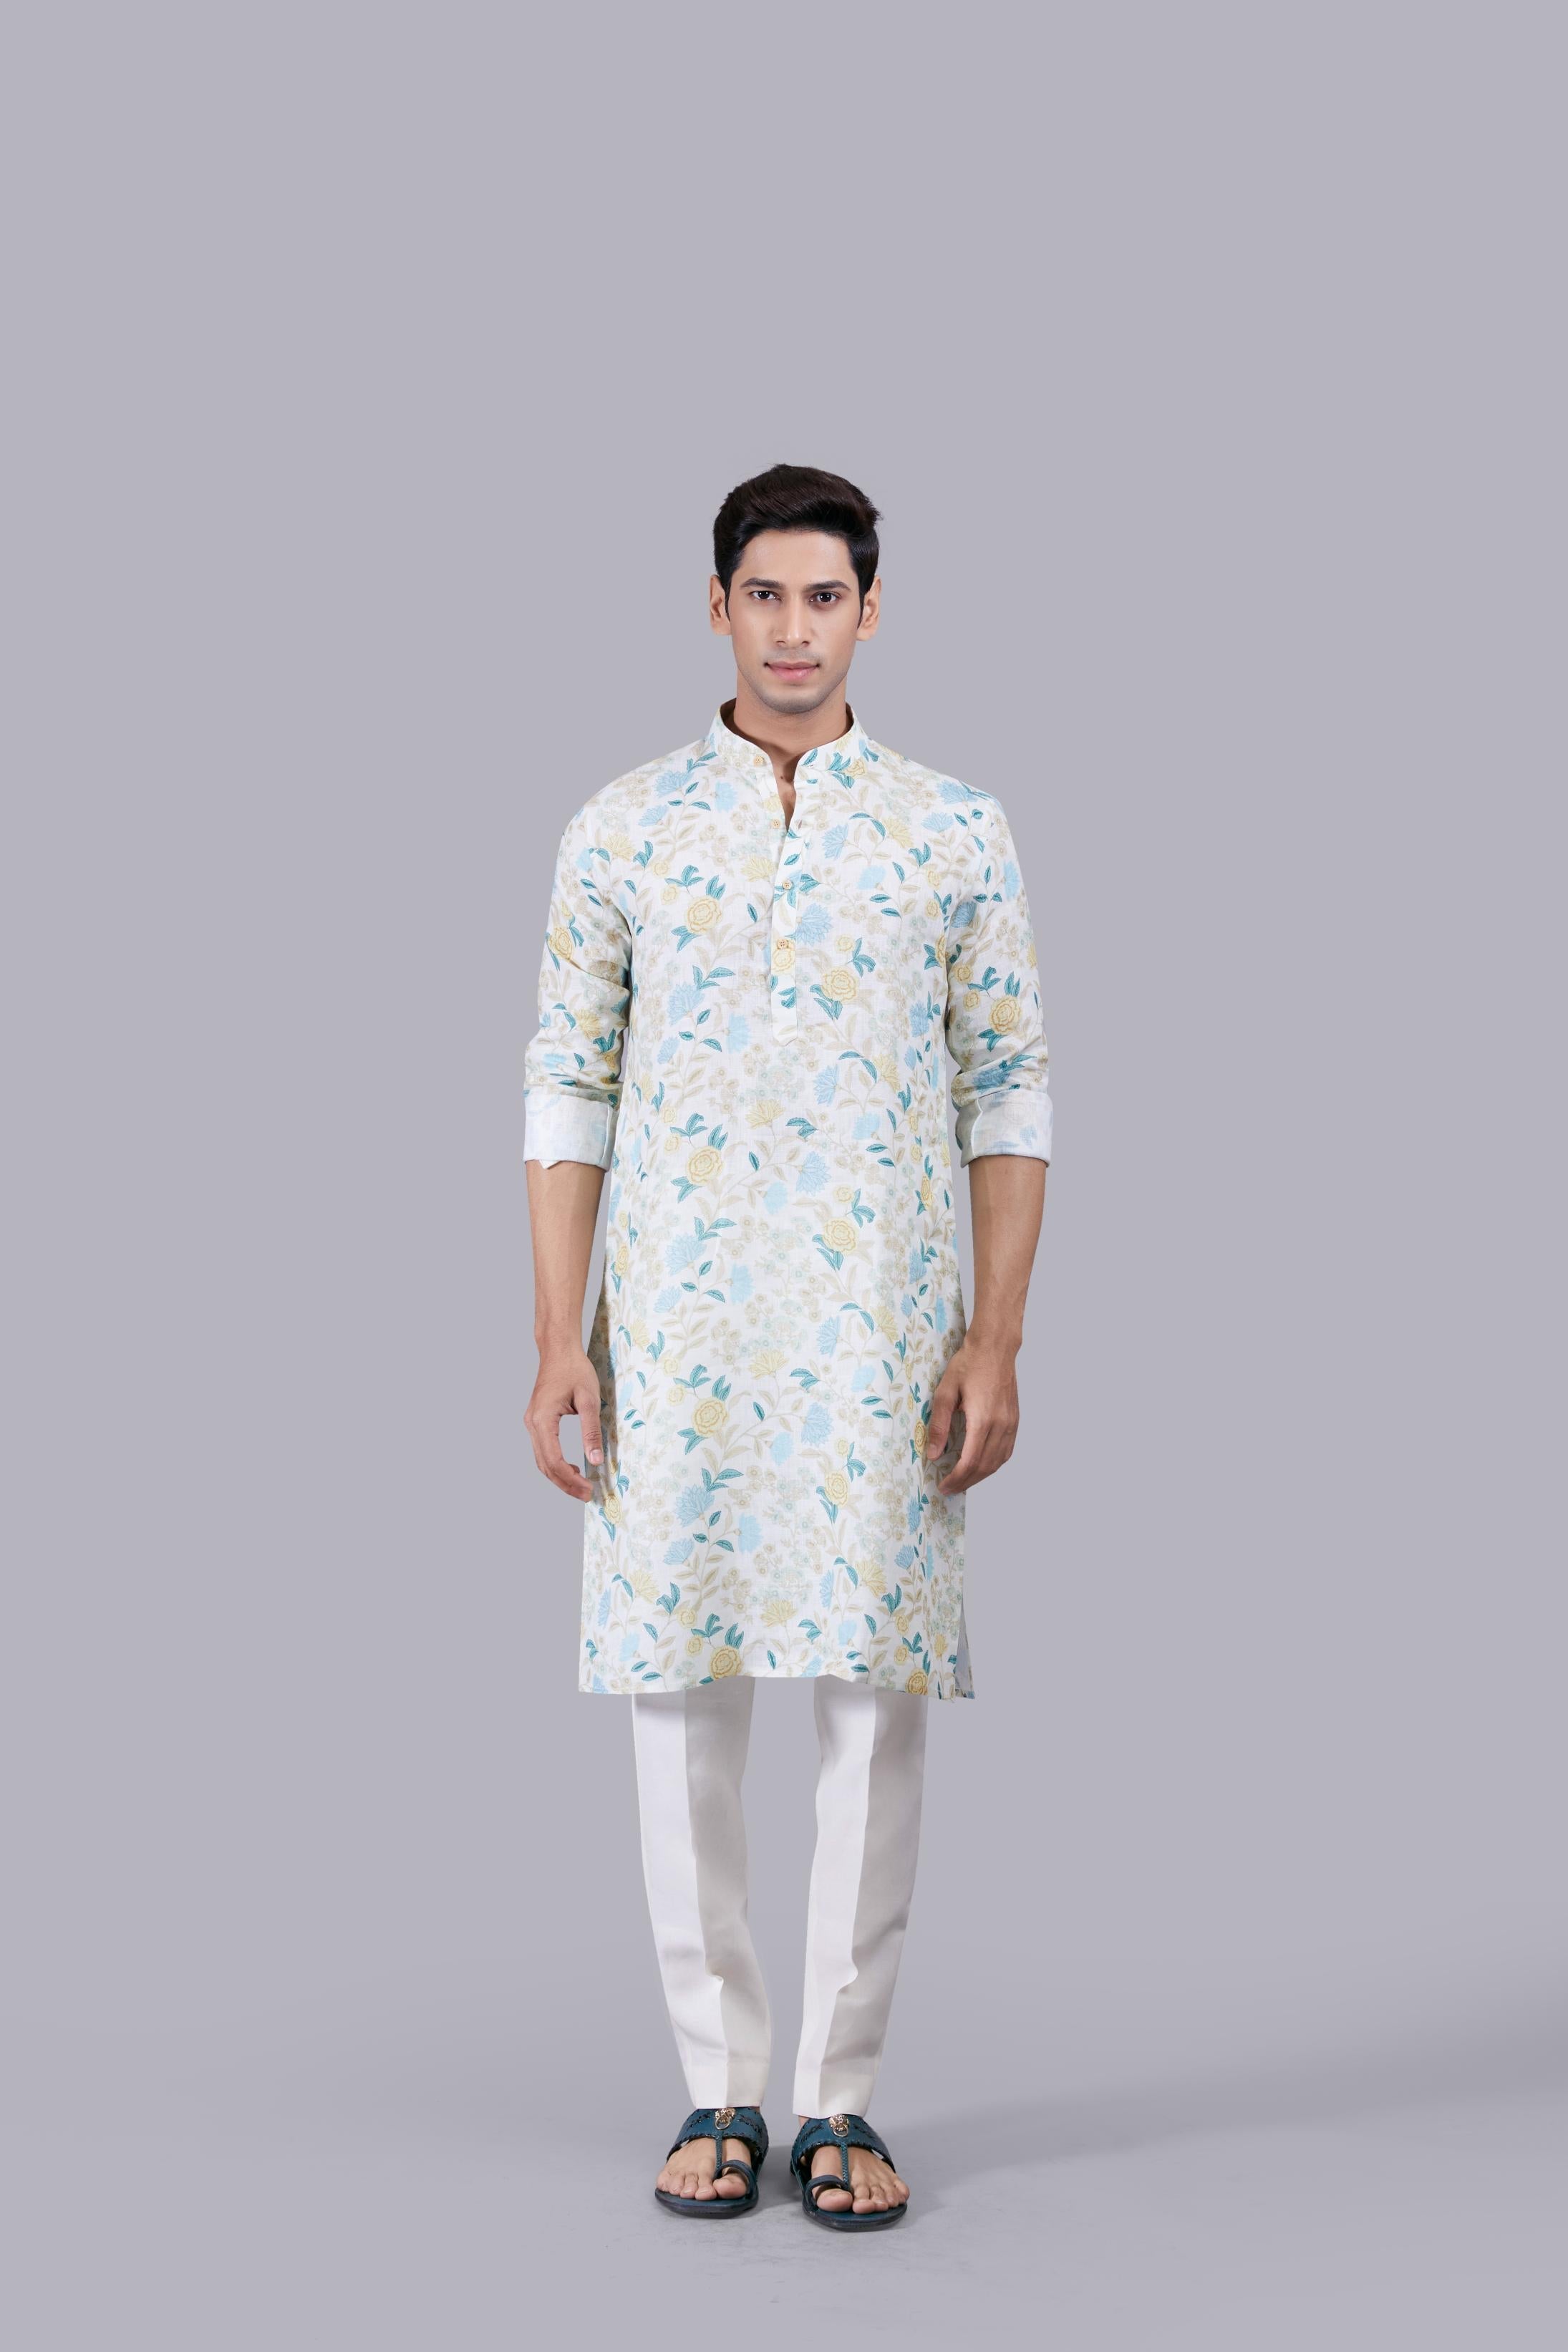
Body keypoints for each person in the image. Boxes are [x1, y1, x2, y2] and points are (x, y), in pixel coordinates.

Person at [523, 463, 1050, 2229]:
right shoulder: (623, 827)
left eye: (827, 597)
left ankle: (840, 2098)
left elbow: (1009, 1086)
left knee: (871, 1707)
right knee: (679, 1699)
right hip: (675, 1325)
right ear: (718, 607)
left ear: (871, 612)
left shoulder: (952, 829)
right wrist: (559, 1336)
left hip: (880, 1328)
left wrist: (997, 1335)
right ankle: (718, 2086)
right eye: (766, 594)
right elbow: (567, 1085)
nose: (796, 628)